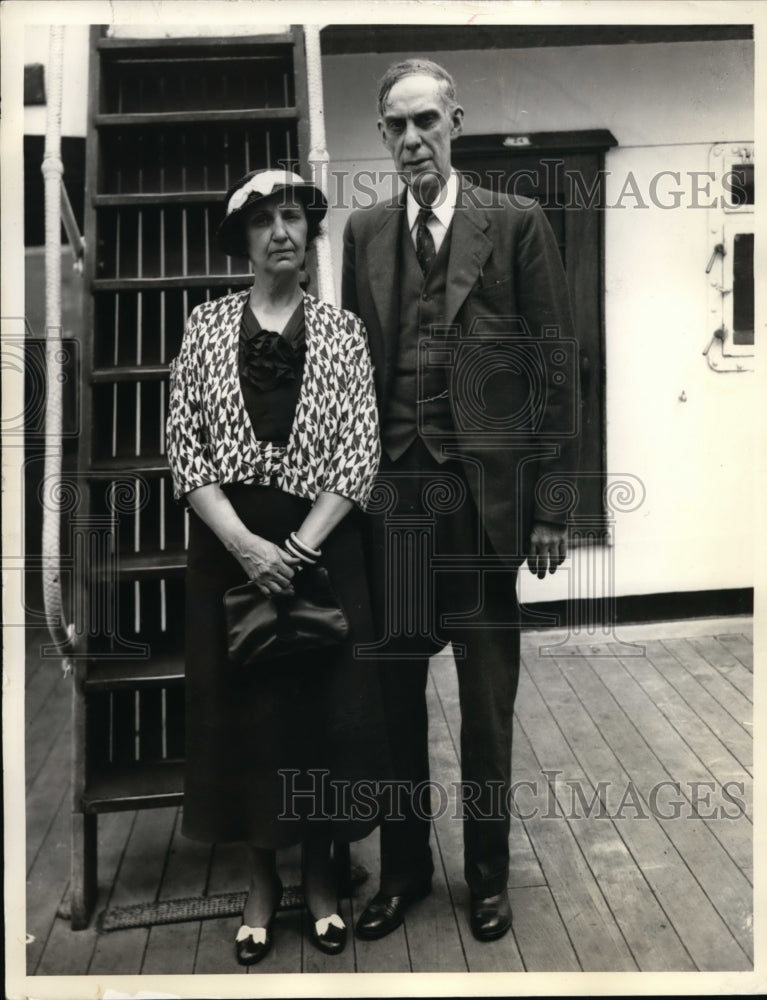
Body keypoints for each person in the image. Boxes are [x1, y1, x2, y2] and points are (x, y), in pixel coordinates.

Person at [342, 60, 579, 942]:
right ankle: (403, 872)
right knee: (395, 698)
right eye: (396, 127)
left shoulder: (513, 222)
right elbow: (350, 375)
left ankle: (486, 878)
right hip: (394, 502)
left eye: (426, 122)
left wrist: (553, 504)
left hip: (481, 504)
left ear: (456, 123)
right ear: (383, 136)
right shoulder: (363, 232)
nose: (412, 140)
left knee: (484, 707)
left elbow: (556, 364)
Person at [166, 169, 389, 965]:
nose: (281, 232)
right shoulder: (202, 328)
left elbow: (359, 454)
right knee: (246, 726)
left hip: (323, 553)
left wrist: (294, 550)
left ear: (309, 230)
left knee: (323, 722)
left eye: (293, 216)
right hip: (229, 557)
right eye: (263, 222)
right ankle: (261, 887)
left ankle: (324, 884)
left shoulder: (343, 333)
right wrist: (247, 547)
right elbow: (184, 451)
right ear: (244, 241)